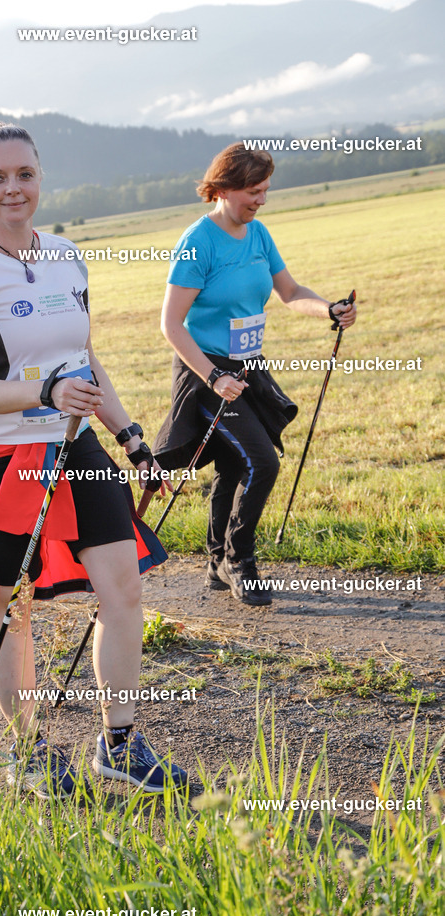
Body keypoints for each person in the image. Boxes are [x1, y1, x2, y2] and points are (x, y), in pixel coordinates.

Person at [0, 120, 187, 797]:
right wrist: (44, 390)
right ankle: (24, 752)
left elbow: (85, 358)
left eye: (25, 174)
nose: (15, 188)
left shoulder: (67, 255)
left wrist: (130, 437)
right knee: (12, 609)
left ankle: (119, 743)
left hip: (75, 445)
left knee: (124, 590)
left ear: (41, 177)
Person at [153, 143, 357, 606]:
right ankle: (238, 561)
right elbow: (170, 325)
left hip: (248, 369)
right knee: (262, 462)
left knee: (234, 464)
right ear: (223, 188)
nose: (261, 200)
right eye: (253, 191)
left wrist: (329, 308)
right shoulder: (197, 242)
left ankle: (214, 562)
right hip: (205, 372)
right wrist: (212, 378)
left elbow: (289, 292)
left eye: (265, 190)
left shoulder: (259, 234)